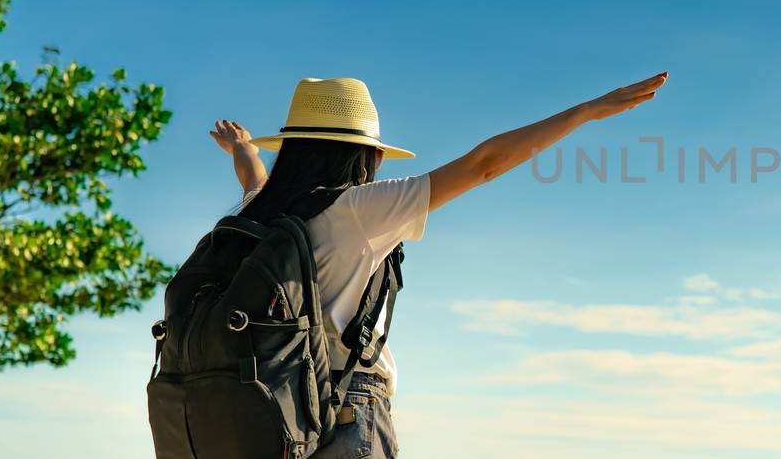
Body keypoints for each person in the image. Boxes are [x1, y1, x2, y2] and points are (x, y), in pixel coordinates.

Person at [206, 72, 667, 458]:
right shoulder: (360, 209)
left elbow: (255, 177)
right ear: (366, 154)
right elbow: (483, 165)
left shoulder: (258, 213)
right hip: (349, 408)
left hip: (274, 411)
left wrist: (245, 149)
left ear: (293, 150)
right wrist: (584, 112)